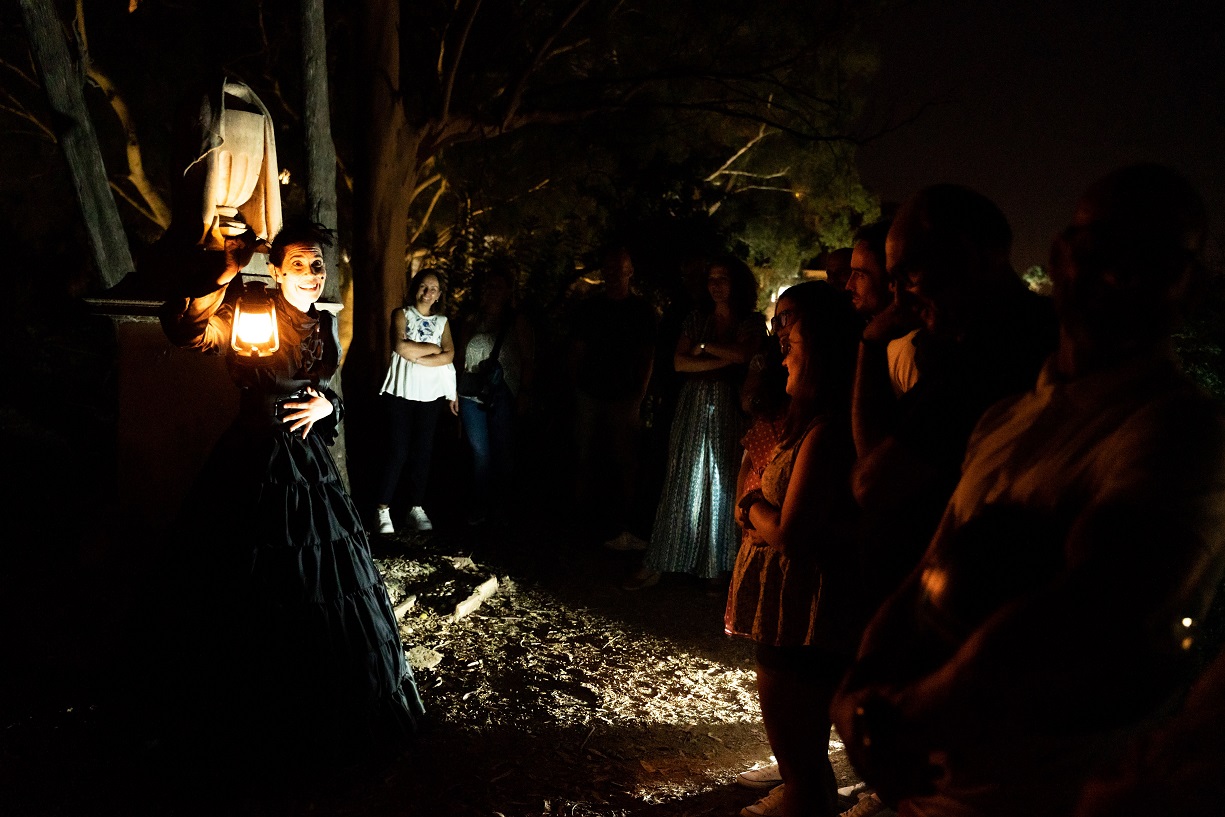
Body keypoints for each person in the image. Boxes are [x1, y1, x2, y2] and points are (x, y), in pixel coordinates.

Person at [832, 164, 1225, 817]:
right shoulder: (1004, 418)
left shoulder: (1178, 429)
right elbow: (926, 571)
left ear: (1184, 282)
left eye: (1151, 259)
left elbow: (1094, 605)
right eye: (1102, 251)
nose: (1121, 276)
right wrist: (857, 691)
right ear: (1060, 256)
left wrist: (907, 715)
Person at [157, 219, 424, 773]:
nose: (309, 274)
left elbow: (326, 398)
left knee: (321, 582)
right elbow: (182, 328)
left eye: (317, 265)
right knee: (242, 577)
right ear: (276, 269)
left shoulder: (323, 327)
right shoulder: (247, 307)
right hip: (249, 460)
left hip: (307, 471)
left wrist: (331, 408)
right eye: (298, 263)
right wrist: (229, 267)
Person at [849, 184, 1057, 613]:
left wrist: (870, 346)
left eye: (909, 276)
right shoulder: (968, 348)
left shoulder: (997, 354)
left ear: (970, 255)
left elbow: (873, 483)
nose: (900, 300)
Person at [725, 281, 862, 817]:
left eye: (792, 333)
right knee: (798, 754)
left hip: (802, 617)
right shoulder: (804, 419)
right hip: (790, 617)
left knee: (803, 757)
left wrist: (753, 506)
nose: (781, 344)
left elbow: (793, 532)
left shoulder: (826, 431)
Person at [625, 256, 766, 591]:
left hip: (728, 408)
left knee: (723, 482)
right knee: (683, 480)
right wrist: (719, 357)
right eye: (712, 279)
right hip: (694, 406)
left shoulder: (750, 322)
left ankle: (719, 566)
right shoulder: (695, 318)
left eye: (724, 278)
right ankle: (666, 558)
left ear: (737, 284)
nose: (716, 285)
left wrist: (704, 349)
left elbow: (745, 355)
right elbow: (678, 362)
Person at [568, 246, 657, 550]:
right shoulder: (590, 308)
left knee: (625, 460)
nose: (615, 275)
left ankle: (624, 521)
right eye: (610, 269)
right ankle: (582, 522)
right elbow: (577, 351)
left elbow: (648, 357)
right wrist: (574, 387)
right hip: (590, 392)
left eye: (621, 269)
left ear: (630, 272)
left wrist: (640, 395)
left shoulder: (642, 311)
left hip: (624, 395)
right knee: (585, 455)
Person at [374, 269, 458, 534]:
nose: (428, 292)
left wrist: (421, 354)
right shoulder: (401, 314)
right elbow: (400, 346)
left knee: (423, 451)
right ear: (415, 289)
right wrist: (433, 349)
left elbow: (449, 355)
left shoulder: (443, 322)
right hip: (400, 392)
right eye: (423, 286)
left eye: (433, 289)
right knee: (397, 450)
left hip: (430, 396)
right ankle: (382, 509)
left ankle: (416, 507)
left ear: (439, 295)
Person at [457, 261, 535, 527]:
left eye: (498, 287)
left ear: (508, 292)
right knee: (480, 452)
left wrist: (524, 392)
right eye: (489, 286)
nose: (492, 291)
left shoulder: (517, 322)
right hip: (471, 393)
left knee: (503, 451)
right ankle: (479, 507)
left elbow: (528, 358)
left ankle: (501, 508)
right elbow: (459, 357)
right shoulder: (471, 319)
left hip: (504, 393)